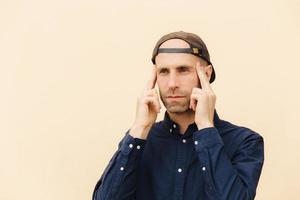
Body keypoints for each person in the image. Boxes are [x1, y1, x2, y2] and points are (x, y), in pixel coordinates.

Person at [92, 31, 264, 200]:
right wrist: (139, 128)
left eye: (183, 70)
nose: (172, 84)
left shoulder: (245, 142)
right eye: (164, 72)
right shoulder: (139, 141)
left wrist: (205, 127)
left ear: (206, 74)